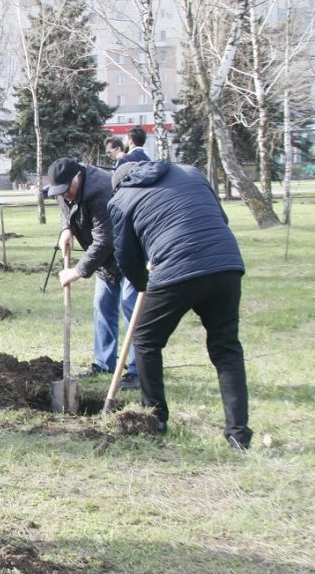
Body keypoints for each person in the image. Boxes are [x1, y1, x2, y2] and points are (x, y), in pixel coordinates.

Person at [108, 160, 252, 450]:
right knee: (226, 349)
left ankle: (155, 418)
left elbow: (125, 256)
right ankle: (238, 434)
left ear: (120, 183)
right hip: (226, 265)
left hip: (177, 270)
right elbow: (220, 218)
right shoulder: (189, 171)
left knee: (146, 339)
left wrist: (143, 285)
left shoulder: (120, 199)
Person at [49, 157, 139, 389]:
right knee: (103, 304)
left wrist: (77, 271)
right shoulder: (65, 186)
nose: (64, 195)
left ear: (77, 177)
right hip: (105, 256)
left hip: (130, 248)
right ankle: (104, 363)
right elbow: (64, 206)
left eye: (66, 190)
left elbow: (105, 240)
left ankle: (138, 371)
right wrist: (66, 228)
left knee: (131, 305)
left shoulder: (99, 190)